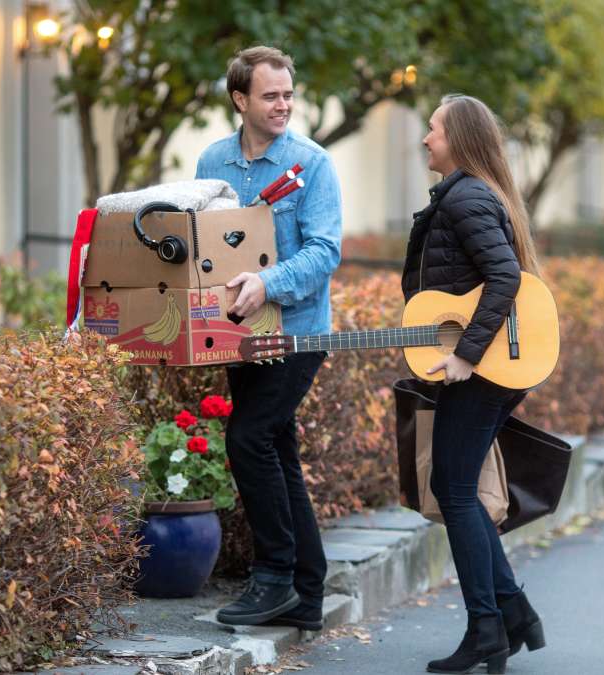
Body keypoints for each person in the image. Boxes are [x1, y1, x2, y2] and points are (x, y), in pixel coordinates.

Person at [194, 46, 342, 629]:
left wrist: (269, 282)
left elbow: (325, 251)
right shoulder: (212, 161)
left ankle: (275, 577)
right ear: (240, 99)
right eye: (270, 95)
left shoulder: (314, 164)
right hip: (239, 334)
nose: (283, 105)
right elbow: (206, 245)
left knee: (249, 439)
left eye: (288, 94)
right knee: (277, 451)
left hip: (299, 333)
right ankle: (307, 594)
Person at [401, 95, 546, 674]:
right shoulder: (466, 196)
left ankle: (489, 626)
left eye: (432, 130)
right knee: (456, 487)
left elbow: (504, 276)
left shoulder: (466, 198)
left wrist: (464, 352)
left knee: (455, 490)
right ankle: (511, 614)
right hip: (488, 360)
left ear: (457, 138)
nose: (425, 139)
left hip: (483, 364)